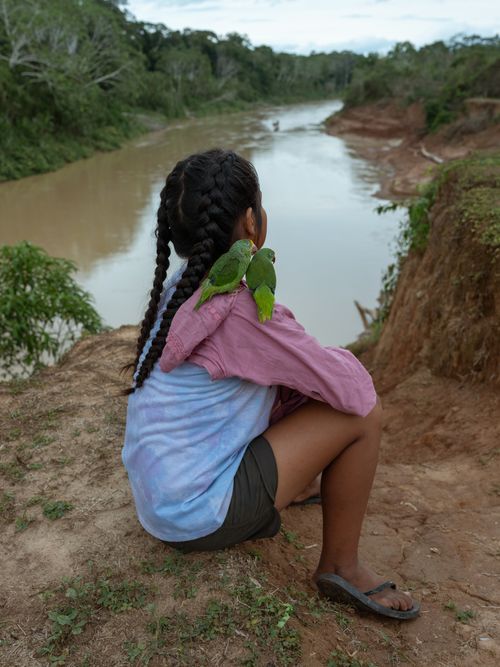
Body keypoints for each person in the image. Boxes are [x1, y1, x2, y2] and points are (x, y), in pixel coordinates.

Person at [121, 148, 420, 620]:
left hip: (163, 500)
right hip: (198, 515)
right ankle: (341, 565)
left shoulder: (186, 285)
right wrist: (328, 358)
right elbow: (354, 393)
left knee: (291, 386)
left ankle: (294, 485)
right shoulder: (240, 311)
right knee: (363, 414)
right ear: (252, 223)